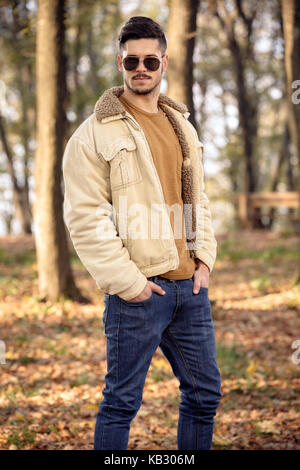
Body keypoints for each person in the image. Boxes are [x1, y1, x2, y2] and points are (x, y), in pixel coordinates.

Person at [62, 16, 222, 450]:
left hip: (190, 290)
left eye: (150, 59)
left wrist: (204, 260)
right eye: (132, 59)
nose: (141, 67)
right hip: (140, 292)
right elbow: (85, 216)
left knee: (205, 395)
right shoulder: (94, 133)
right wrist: (129, 284)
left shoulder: (181, 125)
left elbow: (199, 201)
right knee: (120, 404)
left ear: (164, 62)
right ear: (121, 62)